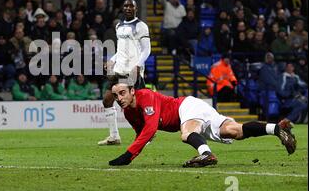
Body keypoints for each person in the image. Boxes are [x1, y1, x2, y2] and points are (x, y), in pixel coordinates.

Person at [107, 80, 297, 167]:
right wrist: (141, 141)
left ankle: (206, 155)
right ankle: (277, 128)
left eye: (122, 92)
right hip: (196, 109)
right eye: (115, 95)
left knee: (186, 134)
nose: (119, 98)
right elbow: (142, 132)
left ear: (132, 90)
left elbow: (149, 128)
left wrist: (128, 155)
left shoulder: (145, 96)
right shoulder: (128, 111)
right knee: (234, 131)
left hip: (186, 108)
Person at [98, 0, 151, 146]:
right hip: (119, 69)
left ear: (136, 8)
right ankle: (114, 136)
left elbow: (147, 49)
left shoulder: (141, 26)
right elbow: (121, 50)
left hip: (132, 70)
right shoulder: (119, 26)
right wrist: (112, 60)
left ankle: (145, 135)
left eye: (131, 6)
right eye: (125, 5)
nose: (128, 8)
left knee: (136, 105)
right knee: (107, 100)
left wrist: (138, 65)